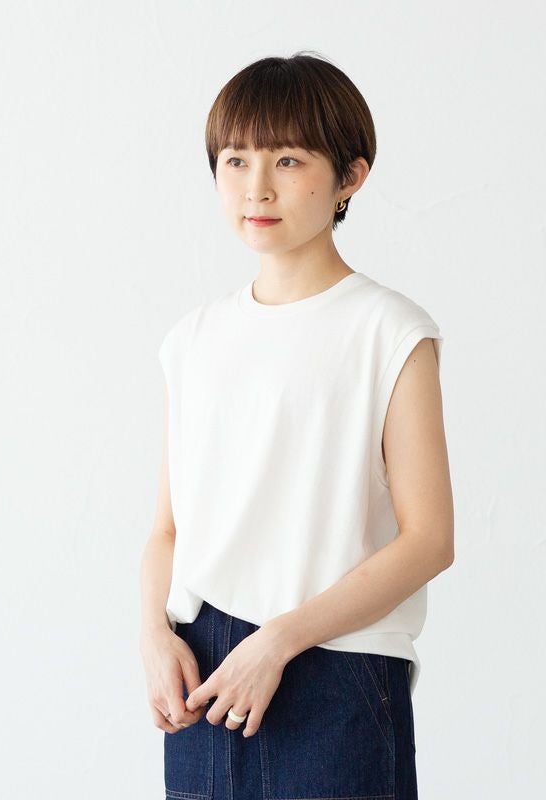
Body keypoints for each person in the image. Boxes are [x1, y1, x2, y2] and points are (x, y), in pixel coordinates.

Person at [139, 52, 454, 800]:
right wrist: (153, 636)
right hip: (205, 665)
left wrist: (278, 641)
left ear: (351, 177)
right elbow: (168, 529)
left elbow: (430, 540)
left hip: (337, 663)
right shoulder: (192, 339)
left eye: (287, 159)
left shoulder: (390, 331)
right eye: (235, 160)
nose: (256, 186)